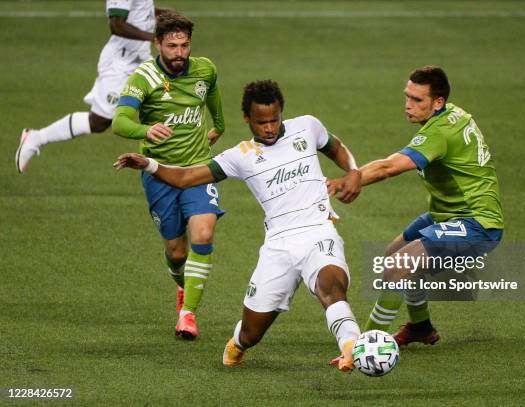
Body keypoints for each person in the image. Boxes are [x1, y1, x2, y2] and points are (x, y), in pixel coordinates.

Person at [114, 80, 362, 371]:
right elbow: (184, 178)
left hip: (319, 232)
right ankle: (237, 345)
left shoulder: (307, 126)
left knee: (331, 287)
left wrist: (353, 171)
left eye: (274, 120)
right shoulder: (240, 156)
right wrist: (149, 165)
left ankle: (351, 347)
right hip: (278, 247)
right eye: (261, 122)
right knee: (251, 333)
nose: (269, 128)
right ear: (247, 118)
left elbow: (336, 147)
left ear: (282, 112)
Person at [328, 65, 504, 347]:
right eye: (407, 97)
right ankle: (421, 327)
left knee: (399, 265)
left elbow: (388, 167)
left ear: (438, 103)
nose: (408, 106)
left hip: (477, 224)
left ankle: (365, 346)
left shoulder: (440, 133)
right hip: (447, 215)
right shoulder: (452, 115)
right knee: (394, 254)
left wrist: (344, 181)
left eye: (417, 100)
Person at [111, 11, 225, 340]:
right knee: (177, 252)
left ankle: (187, 315)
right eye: (172, 46)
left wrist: (219, 125)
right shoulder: (142, 78)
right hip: (159, 173)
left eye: (185, 45)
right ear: (158, 44)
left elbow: (213, 93)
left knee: (203, 233)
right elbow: (120, 122)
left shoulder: (205, 69)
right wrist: (147, 129)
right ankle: (182, 285)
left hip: (198, 168)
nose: (179, 53)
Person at [16, 0, 164, 174]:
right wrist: (154, 38)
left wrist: (169, 16)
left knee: (166, 99)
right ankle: (36, 138)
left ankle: (173, 165)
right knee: (99, 122)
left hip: (140, 58)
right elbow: (117, 25)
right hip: (119, 64)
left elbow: (142, 10)